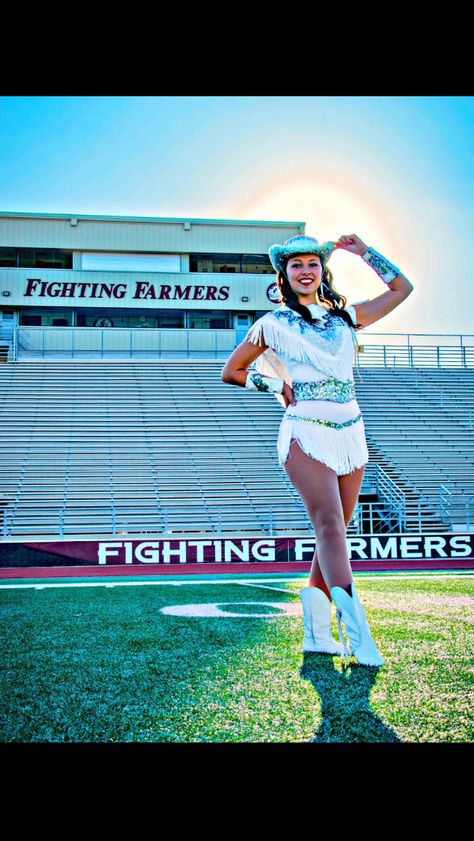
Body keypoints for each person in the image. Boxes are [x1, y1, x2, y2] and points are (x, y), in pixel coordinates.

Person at [221, 233, 413, 666]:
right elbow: (231, 371)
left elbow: (402, 290)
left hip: (351, 431)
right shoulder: (272, 324)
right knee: (329, 527)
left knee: (337, 534)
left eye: (312, 263)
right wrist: (275, 384)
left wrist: (364, 253)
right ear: (284, 275)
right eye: (296, 265)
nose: (305, 270)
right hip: (304, 429)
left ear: (321, 271)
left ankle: (315, 634)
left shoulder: (345, 319)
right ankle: (359, 633)